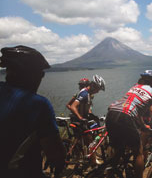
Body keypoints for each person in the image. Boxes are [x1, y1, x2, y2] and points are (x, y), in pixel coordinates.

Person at [0, 45, 66, 178]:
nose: (41, 78)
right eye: (41, 74)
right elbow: (55, 154)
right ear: (31, 74)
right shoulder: (38, 104)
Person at [105, 70, 152, 178]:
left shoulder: (134, 87)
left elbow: (136, 111)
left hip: (111, 114)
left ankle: (111, 171)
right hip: (125, 117)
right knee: (138, 151)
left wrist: (143, 126)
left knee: (119, 148)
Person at [69, 74, 105, 165]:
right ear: (93, 86)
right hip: (77, 119)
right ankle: (92, 162)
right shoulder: (84, 93)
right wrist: (80, 118)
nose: (97, 92)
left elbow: (86, 109)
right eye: (98, 89)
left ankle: (87, 158)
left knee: (87, 139)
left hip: (81, 119)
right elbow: (73, 106)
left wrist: (93, 116)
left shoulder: (88, 94)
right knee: (89, 140)